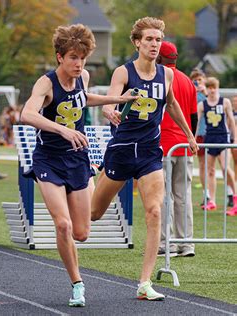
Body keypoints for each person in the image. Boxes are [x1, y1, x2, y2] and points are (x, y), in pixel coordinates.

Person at [20, 23, 138, 307]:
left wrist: (116, 99)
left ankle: (75, 261)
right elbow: (27, 113)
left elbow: (84, 99)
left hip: (77, 159)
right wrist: (62, 130)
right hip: (49, 159)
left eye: (82, 57)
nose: (79, 63)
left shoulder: (83, 77)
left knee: (81, 233)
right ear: (60, 56)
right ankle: (77, 283)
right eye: (73, 57)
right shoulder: (46, 83)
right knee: (62, 225)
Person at [91, 17, 198, 301]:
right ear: (137, 42)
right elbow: (111, 100)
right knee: (93, 215)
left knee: (154, 212)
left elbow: (172, 104)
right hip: (122, 150)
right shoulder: (123, 72)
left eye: (158, 39)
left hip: (151, 152)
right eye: (149, 39)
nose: (154, 44)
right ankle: (89, 182)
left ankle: (145, 282)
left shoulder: (167, 75)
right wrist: (110, 110)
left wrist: (188, 133)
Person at [156, 41, 197, 257]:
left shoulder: (158, 78)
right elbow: (193, 116)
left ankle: (167, 243)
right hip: (184, 144)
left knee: (164, 195)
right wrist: (191, 139)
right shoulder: (188, 81)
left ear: (160, 58)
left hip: (163, 144)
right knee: (183, 194)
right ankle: (186, 243)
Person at [197, 77, 237, 216]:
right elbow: (197, 123)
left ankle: (235, 197)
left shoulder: (224, 102)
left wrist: (235, 138)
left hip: (223, 137)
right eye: (209, 87)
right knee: (210, 170)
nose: (212, 90)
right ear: (207, 89)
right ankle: (212, 200)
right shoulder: (202, 105)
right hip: (209, 138)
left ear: (217, 87)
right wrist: (194, 138)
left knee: (226, 168)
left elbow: (231, 121)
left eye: (214, 87)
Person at [190, 69, 210, 204]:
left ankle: (230, 193)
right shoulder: (192, 94)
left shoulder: (209, 94)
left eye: (200, 80)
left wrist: (206, 93)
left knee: (215, 167)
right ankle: (206, 194)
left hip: (210, 133)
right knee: (201, 165)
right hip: (195, 134)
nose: (197, 82)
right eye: (195, 80)